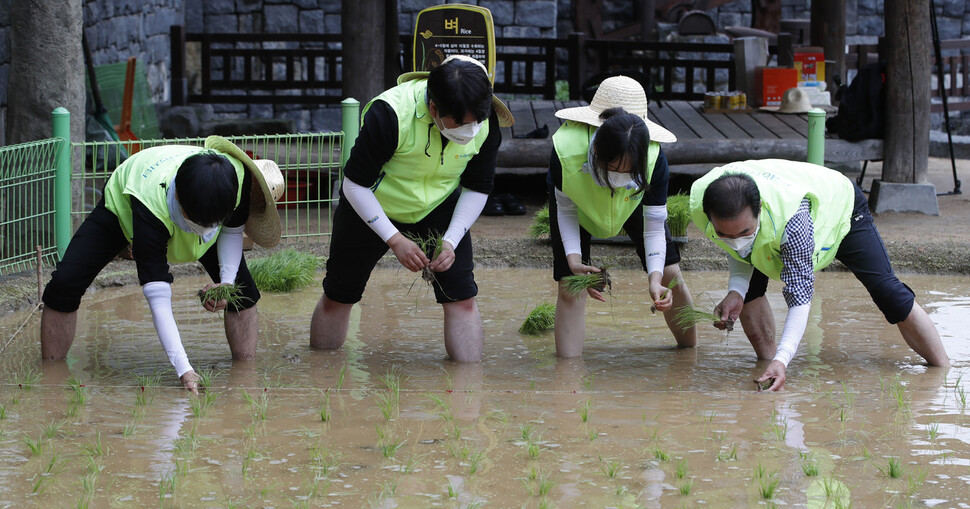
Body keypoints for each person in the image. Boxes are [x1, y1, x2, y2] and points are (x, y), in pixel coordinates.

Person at [40, 136, 284, 393]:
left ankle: (244, 377)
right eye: (200, 223)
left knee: (242, 295)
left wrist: (226, 283)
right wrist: (184, 370)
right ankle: (50, 380)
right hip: (126, 207)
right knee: (64, 284)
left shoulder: (237, 179)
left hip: (199, 210)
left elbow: (232, 233)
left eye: (214, 223)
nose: (206, 229)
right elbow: (158, 297)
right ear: (178, 194)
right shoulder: (149, 207)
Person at [309, 55, 513, 361]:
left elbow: (477, 187)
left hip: (438, 207)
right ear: (434, 109)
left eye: (476, 122)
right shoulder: (390, 114)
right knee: (340, 295)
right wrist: (394, 239)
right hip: (372, 205)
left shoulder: (487, 122)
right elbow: (353, 184)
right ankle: (321, 375)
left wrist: (452, 239)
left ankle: (468, 391)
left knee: (462, 298)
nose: (470, 130)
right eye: (460, 123)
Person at [690, 159, 949, 391]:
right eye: (724, 234)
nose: (734, 240)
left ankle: (943, 374)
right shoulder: (705, 203)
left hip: (840, 208)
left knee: (888, 293)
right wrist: (736, 289)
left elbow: (800, 299)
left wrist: (785, 358)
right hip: (778, 220)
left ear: (760, 211)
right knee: (750, 292)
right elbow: (738, 250)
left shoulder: (793, 222)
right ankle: (767, 373)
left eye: (744, 231)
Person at [548, 75, 696, 357]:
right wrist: (573, 259)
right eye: (613, 167)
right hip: (577, 204)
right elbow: (565, 208)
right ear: (596, 151)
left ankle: (689, 357)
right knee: (570, 285)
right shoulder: (565, 152)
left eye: (629, 169)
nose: (619, 174)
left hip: (633, 202)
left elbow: (653, 226)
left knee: (670, 273)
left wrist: (654, 279)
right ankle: (567, 379)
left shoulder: (655, 159)